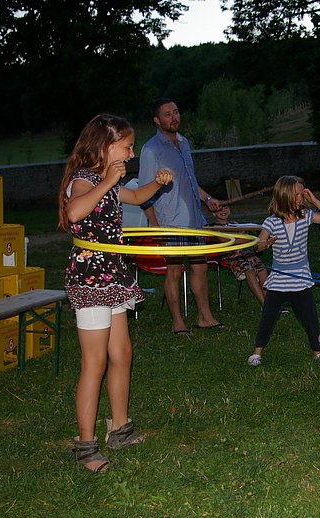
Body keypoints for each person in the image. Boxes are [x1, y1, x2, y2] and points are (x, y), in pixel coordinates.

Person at [57, 113, 173, 472]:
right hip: (91, 279)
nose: (131, 152)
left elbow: (137, 196)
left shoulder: (109, 179)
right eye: (126, 146)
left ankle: (119, 429)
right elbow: (75, 212)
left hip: (113, 275)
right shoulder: (83, 180)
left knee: (121, 353)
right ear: (105, 147)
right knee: (95, 362)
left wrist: (156, 182)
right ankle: (85, 447)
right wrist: (107, 180)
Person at [138, 97, 222, 335]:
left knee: (200, 267)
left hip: (194, 220)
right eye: (167, 114)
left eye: (176, 112)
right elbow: (143, 192)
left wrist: (207, 199)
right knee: (174, 271)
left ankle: (205, 317)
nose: (174, 117)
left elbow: (191, 181)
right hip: (170, 223)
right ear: (157, 120)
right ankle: (177, 322)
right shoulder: (151, 150)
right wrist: (154, 225)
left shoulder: (184, 143)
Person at [247, 175, 320, 367]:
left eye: (302, 194)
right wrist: (266, 243)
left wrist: (314, 201)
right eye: (297, 194)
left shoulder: (305, 217)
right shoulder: (271, 222)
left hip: (301, 278)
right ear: (285, 195)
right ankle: (257, 353)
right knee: (268, 317)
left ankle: (318, 352)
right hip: (279, 279)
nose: (301, 198)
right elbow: (258, 246)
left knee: (310, 318)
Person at [209, 203, 269, 305]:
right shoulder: (213, 227)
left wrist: (242, 239)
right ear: (213, 213)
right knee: (249, 270)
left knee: (262, 270)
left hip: (244, 252)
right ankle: (264, 304)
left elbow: (245, 237)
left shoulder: (234, 224)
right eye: (219, 209)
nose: (223, 211)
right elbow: (226, 241)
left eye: (226, 207)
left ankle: (270, 302)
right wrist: (241, 239)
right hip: (229, 255)